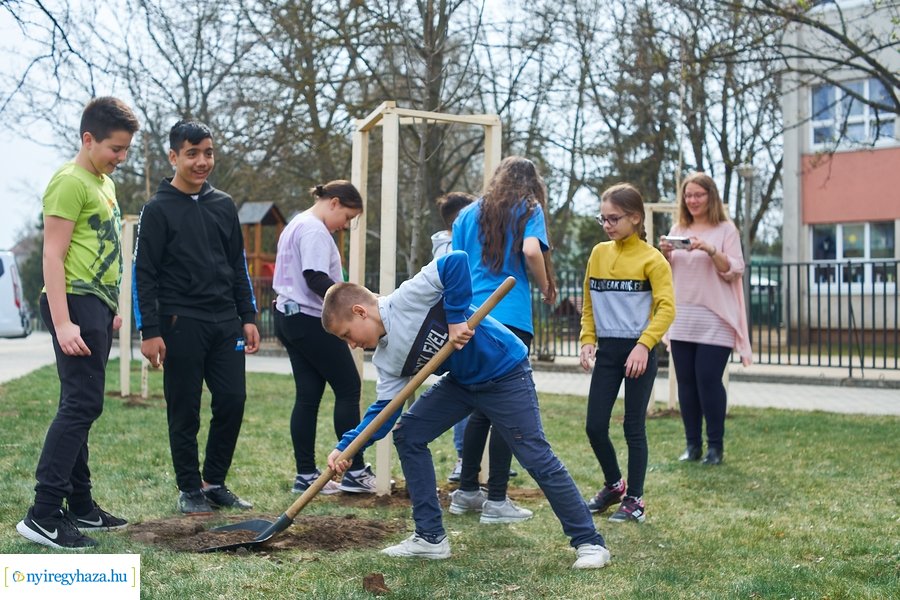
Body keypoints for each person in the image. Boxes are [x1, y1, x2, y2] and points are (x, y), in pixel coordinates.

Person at [321, 251, 609, 569]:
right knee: (409, 433)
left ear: (360, 311)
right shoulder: (387, 359)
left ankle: (590, 542)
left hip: (504, 371)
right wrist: (349, 444)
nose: (351, 344)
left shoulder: (407, 298)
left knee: (535, 456)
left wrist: (456, 317)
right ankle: (430, 538)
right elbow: (385, 410)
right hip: (462, 383)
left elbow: (455, 261)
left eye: (346, 334)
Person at [16, 97, 140, 549]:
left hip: (94, 304)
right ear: (88, 139)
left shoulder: (101, 182)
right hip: (73, 302)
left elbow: (102, 249)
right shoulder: (69, 182)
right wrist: (65, 322)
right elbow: (53, 253)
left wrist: (112, 306)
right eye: (115, 148)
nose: (121, 157)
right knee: (82, 404)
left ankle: (82, 507)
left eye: (126, 149)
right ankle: (43, 514)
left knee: (81, 402)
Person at [133, 120, 259, 515]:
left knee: (232, 400)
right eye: (192, 153)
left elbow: (237, 265)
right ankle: (189, 488)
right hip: (179, 323)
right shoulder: (156, 210)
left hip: (225, 322)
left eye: (208, 153)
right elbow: (145, 274)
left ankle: (214, 481)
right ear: (174, 157)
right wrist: (149, 330)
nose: (202, 161)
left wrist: (248, 314)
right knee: (184, 407)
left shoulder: (223, 205)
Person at [448, 156, 556, 523]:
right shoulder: (528, 207)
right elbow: (530, 251)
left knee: (481, 406)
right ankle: (496, 499)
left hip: (472, 316)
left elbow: (453, 262)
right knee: (506, 409)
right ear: (532, 184)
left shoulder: (467, 214)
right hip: (510, 317)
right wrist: (544, 286)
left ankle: (466, 492)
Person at [579, 183, 675, 523]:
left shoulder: (653, 259)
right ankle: (614, 485)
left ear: (635, 218)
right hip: (607, 350)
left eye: (614, 218)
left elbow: (666, 309)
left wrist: (644, 345)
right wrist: (587, 338)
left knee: (634, 427)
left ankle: (635, 499)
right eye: (602, 219)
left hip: (640, 352)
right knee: (594, 426)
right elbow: (589, 303)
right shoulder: (599, 254)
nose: (607, 225)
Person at [273, 180, 375, 494]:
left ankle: (305, 474)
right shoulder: (315, 230)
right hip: (309, 318)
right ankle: (354, 470)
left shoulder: (297, 224)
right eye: (346, 217)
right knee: (348, 387)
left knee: (308, 394)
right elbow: (315, 277)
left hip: (287, 316)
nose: (344, 226)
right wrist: (348, 304)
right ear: (333, 202)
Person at [659, 172, 752, 466]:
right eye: (688, 195)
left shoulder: (726, 230)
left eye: (699, 194)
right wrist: (664, 254)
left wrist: (710, 249)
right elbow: (668, 273)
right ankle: (692, 445)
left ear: (711, 196)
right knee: (685, 382)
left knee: (708, 380)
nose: (693, 200)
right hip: (682, 315)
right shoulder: (679, 227)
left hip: (716, 316)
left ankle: (715, 447)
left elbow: (735, 270)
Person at [429, 191, 475, 483]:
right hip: (457, 327)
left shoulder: (452, 243)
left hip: (462, 324)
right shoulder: (449, 249)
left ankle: (472, 454)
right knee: (468, 391)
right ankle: (463, 457)